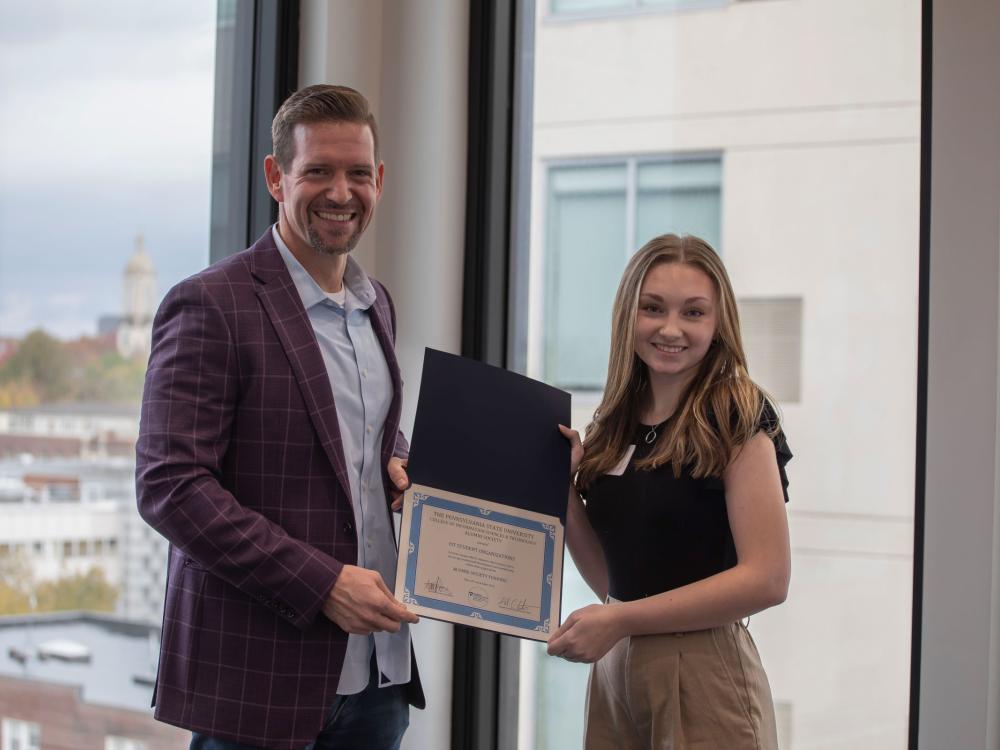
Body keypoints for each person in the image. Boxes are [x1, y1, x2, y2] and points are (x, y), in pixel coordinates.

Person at [136, 84, 423, 750]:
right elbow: (170, 486)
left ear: (378, 181)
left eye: (357, 173)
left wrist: (396, 461)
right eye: (317, 170)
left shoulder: (376, 303)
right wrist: (321, 584)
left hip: (379, 677)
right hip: (258, 683)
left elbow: (365, 432)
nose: (340, 192)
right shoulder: (211, 304)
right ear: (275, 177)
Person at [548, 234, 792, 749]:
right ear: (627, 315)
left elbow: (768, 578)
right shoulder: (615, 423)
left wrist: (620, 619)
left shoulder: (737, 417)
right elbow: (614, 581)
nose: (671, 328)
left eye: (694, 312)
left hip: (703, 670)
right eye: (653, 308)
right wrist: (564, 493)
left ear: (719, 323)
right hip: (617, 670)